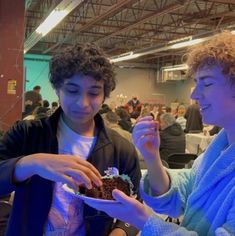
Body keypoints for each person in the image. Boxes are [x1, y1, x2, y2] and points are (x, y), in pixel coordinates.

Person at [83, 31, 235, 235]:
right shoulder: (219, 148)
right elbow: (181, 194)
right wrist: (152, 157)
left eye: (206, 83)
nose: (194, 94)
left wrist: (142, 220)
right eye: (196, 84)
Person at [0, 43, 141, 236]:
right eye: (72, 90)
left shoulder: (121, 149)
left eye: (93, 93)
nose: (82, 103)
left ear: (104, 95)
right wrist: (32, 162)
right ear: (57, 89)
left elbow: (136, 203)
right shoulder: (27, 135)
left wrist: (120, 232)